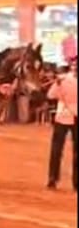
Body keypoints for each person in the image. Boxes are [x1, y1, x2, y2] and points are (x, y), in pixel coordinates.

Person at [47, 56, 77, 192]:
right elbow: (51, 95)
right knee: (56, 150)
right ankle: (52, 178)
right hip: (62, 116)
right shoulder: (63, 79)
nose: (75, 67)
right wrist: (57, 85)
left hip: (76, 117)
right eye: (73, 65)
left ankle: (76, 182)